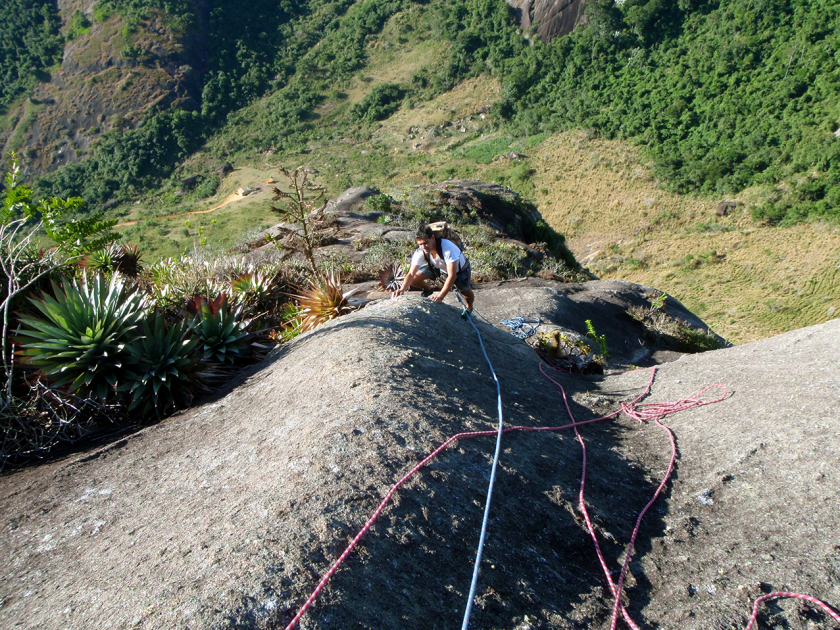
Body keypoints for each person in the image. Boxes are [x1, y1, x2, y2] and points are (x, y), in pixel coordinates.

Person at [392, 225, 475, 311]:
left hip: (460, 270)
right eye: (420, 244)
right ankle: (428, 288)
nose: (423, 247)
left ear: (432, 237)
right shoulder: (421, 251)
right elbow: (411, 273)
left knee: (465, 292)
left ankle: (469, 308)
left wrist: (440, 297)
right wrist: (402, 289)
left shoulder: (447, 248)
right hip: (439, 266)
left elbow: (452, 275)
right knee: (414, 279)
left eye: (425, 243)